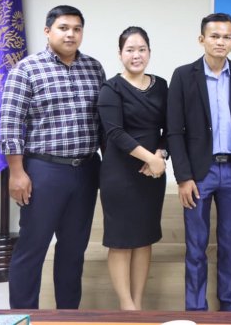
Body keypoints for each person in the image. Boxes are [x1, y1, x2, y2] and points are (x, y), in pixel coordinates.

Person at [0, 5, 105, 309]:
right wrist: (17, 173)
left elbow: (103, 120)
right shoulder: (26, 69)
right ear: (48, 31)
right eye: (63, 28)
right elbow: (10, 124)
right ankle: (24, 317)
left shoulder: (94, 68)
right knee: (32, 248)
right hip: (44, 171)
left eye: (76, 29)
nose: (70, 34)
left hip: (86, 170)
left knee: (73, 251)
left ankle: (67, 316)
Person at [166, 13, 231, 312]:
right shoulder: (183, 75)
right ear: (201, 39)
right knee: (196, 245)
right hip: (197, 175)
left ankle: (229, 305)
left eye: (226, 37)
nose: (220, 42)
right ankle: (196, 310)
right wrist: (183, 177)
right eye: (214, 36)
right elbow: (174, 131)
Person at [98, 26, 169, 311]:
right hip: (120, 174)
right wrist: (150, 158)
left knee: (143, 238)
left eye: (141, 49)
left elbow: (171, 127)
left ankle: (138, 305)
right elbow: (115, 132)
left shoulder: (161, 85)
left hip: (152, 176)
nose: (136, 55)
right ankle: (127, 308)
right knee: (121, 240)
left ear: (149, 52)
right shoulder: (111, 88)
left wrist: (160, 154)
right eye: (130, 50)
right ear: (120, 54)